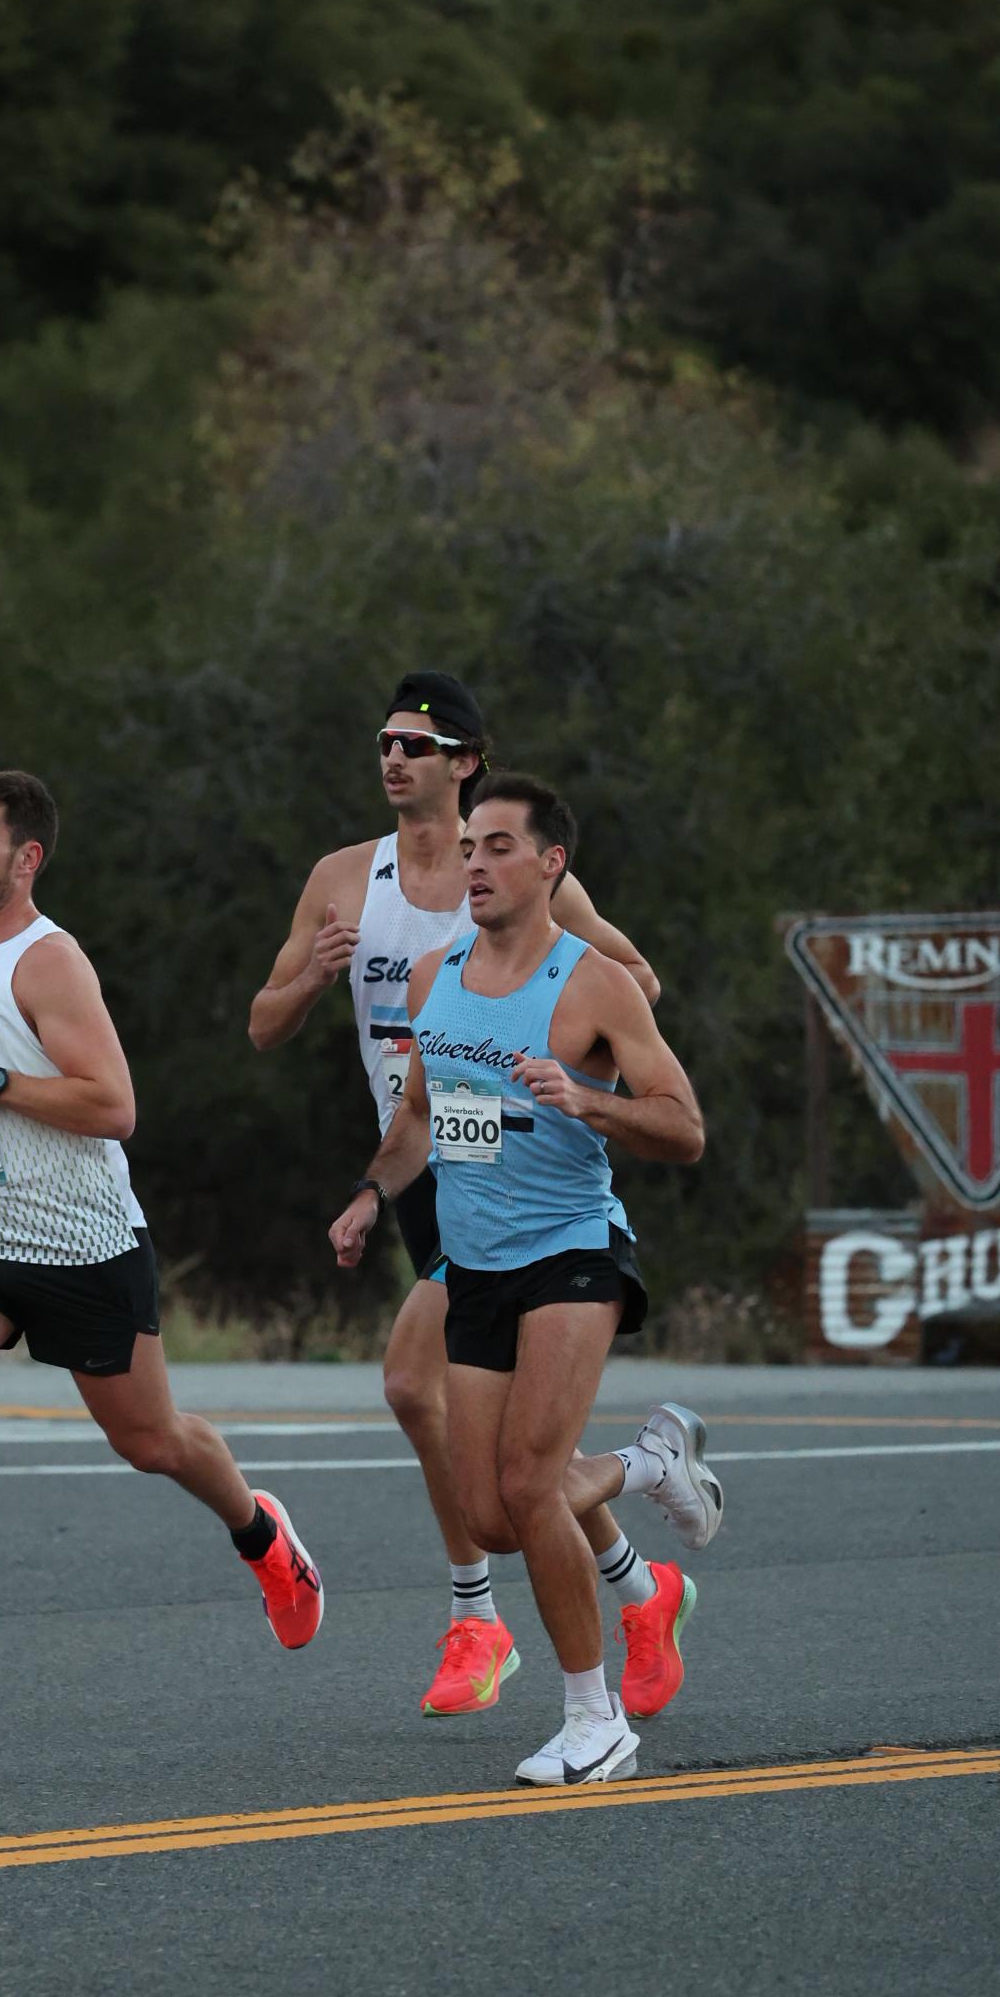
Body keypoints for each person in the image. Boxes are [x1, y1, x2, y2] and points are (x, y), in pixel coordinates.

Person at [0, 763, 323, 1754]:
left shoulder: (49, 963)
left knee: (154, 1443)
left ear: (26, 858)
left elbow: (112, 1105)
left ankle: (261, 1534)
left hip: (81, 1247)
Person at [251, 673, 690, 1724]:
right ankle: (640, 1586)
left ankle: (477, 1617)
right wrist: (312, 978)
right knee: (512, 1465)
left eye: (415, 743)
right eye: (384, 741)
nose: (392, 757)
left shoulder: (516, 873)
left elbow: (635, 983)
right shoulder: (343, 879)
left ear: (466, 761)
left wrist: (541, 1041)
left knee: (416, 1388)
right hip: (421, 1161)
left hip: (513, 1176)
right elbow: (264, 1024)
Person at [327, 771, 721, 1786]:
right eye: (470, 848)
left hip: (572, 1252)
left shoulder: (594, 983)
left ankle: (594, 1719)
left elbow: (682, 1126)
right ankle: (646, 1464)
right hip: (476, 1267)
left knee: (530, 1486)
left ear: (551, 864)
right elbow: (418, 1119)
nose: (475, 864)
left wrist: (592, 1104)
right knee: (495, 1518)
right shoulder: (434, 978)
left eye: (498, 847)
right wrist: (371, 1194)